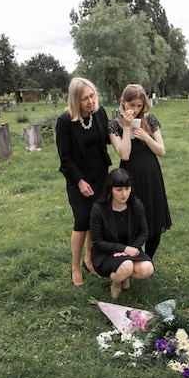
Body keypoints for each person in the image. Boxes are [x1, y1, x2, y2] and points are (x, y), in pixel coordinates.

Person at [56, 77, 112, 290]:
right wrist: (79, 181)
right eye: (84, 99)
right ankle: (75, 267)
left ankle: (90, 259)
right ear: (74, 101)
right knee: (81, 221)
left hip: (100, 175)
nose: (90, 101)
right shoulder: (65, 122)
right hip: (77, 178)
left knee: (95, 219)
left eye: (92, 96)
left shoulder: (100, 112)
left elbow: (107, 137)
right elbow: (65, 157)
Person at [108, 84, 171, 259]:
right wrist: (127, 127)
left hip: (151, 174)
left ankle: (148, 259)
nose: (135, 110)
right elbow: (125, 154)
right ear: (123, 103)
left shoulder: (150, 120)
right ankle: (130, 259)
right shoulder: (114, 125)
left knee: (153, 217)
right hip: (129, 176)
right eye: (132, 105)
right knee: (131, 218)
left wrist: (146, 137)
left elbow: (161, 151)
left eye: (139, 105)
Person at [90, 168, 154, 298]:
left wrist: (132, 248)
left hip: (131, 249)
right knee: (127, 265)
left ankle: (123, 276)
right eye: (119, 190)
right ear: (110, 190)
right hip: (106, 253)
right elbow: (98, 241)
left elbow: (144, 232)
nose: (124, 194)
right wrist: (123, 249)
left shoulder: (136, 205)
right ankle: (116, 283)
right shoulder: (98, 209)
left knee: (147, 268)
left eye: (127, 188)